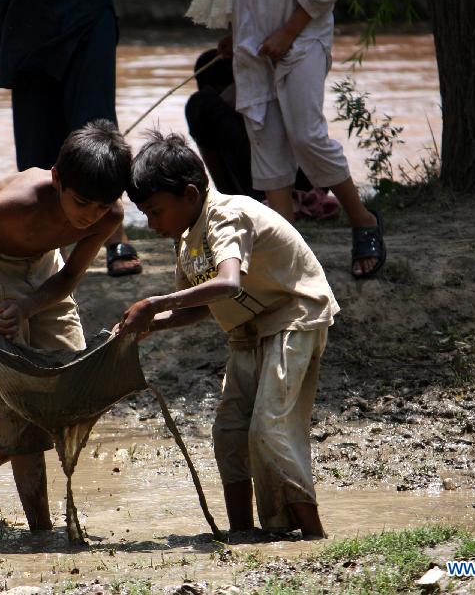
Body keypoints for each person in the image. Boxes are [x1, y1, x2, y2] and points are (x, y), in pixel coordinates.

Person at [117, 131, 338, 538]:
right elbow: (202, 305)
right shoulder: (185, 237)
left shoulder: (226, 215)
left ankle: (313, 535)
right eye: (145, 214)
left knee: (269, 428)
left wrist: (155, 303)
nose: (151, 224)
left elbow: (229, 283)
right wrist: (151, 326)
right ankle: (241, 532)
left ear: (189, 194)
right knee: (229, 433)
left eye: (155, 211)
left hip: (293, 317)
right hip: (246, 331)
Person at [0, 120, 132, 531]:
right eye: (82, 203)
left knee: (71, 390)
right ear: (57, 180)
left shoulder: (107, 214)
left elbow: (67, 278)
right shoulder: (25, 199)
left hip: (43, 271)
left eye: (101, 207)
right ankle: (42, 532)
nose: (90, 217)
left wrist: (30, 306)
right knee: (21, 398)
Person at [217, 0, 386, 278]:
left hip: (303, 36)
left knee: (307, 136)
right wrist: (237, 32)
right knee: (266, 140)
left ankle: (363, 219)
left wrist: (287, 32)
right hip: (252, 42)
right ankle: (288, 249)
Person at [0, 0, 143, 278]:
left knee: (95, 122)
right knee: (36, 135)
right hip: (30, 13)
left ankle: (115, 236)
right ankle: (54, 248)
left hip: (86, 9)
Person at [184, 48, 339, 220]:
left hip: (290, 184)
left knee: (200, 104)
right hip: (283, 183)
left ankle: (230, 201)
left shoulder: (212, 103)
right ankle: (230, 201)